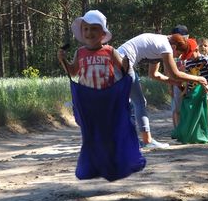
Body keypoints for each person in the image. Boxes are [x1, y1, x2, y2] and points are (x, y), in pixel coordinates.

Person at [57, 10, 146, 182]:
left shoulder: (110, 51)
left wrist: (126, 64)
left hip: (107, 100)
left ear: (103, 33)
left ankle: (114, 165)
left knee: (110, 134)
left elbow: (122, 70)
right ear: (82, 33)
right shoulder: (80, 52)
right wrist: (63, 61)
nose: (89, 33)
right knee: (91, 135)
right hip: (87, 101)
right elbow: (73, 71)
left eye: (94, 29)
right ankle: (92, 166)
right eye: (86, 29)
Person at [116, 33, 208, 147]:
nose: (177, 57)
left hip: (119, 61)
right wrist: (198, 78)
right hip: (122, 62)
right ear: (174, 47)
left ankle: (124, 139)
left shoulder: (159, 46)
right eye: (178, 54)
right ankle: (146, 141)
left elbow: (154, 74)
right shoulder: (165, 46)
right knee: (138, 102)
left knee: (124, 103)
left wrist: (175, 83)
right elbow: (175, 74)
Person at [170, 25, 189, 129]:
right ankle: (176, 129)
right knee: (176, 108)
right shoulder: (169, 50)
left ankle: (186, 128)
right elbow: (168, 71)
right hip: (176, 84)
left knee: (186, 107)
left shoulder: (189, 48)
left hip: (189, 83)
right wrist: (170, 87)